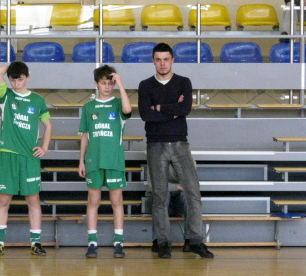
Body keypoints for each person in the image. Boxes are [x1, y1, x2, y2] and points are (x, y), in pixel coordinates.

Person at [138, 42, 214, 259]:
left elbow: (185, 109)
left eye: (166, 59)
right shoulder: (145, 85)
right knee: (159, 195)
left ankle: (195, 241)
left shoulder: (184, 82)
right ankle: (163, 243)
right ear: (153, 61)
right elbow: (145, 115)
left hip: (180, 143)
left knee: (193, 193)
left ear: (172, 60)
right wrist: (173, 110)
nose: (162, 63)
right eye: (158, 59)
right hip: (155, 144)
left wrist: (159, 107)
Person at [0, 62, 53, 256]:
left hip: (29, 157)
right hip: (8, 155)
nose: (16, 83)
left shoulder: (37, 100)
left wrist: (44, 147)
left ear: (27, 77)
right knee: (2, 199)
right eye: (13, 79)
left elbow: (48, 126)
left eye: (20, 78)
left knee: (33, 199)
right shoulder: (6, 97)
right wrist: (12, 66)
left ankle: (36, 243)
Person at [78, 65, 131, 258]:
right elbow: (85, 135)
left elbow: (128, 109)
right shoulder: (88, 107)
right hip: (93, 161)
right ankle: (92, 242)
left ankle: (119, 242)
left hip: (114, 160)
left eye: (110, 83)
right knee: (94, 201)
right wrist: (81, 161)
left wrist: (122, 85)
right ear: (96, 84)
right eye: (103, 83)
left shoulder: (117, 104)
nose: (107, 87)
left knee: (117, 201)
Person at [145, 164, 189, 253]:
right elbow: (154, 186)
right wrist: (176, 186)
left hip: (176, 199)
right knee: (163, 194)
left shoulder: (186, 159)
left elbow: (188, 185)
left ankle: (190, 240)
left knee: (189, 197)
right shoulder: (154, 157)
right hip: (156, 199)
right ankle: (159, 240)